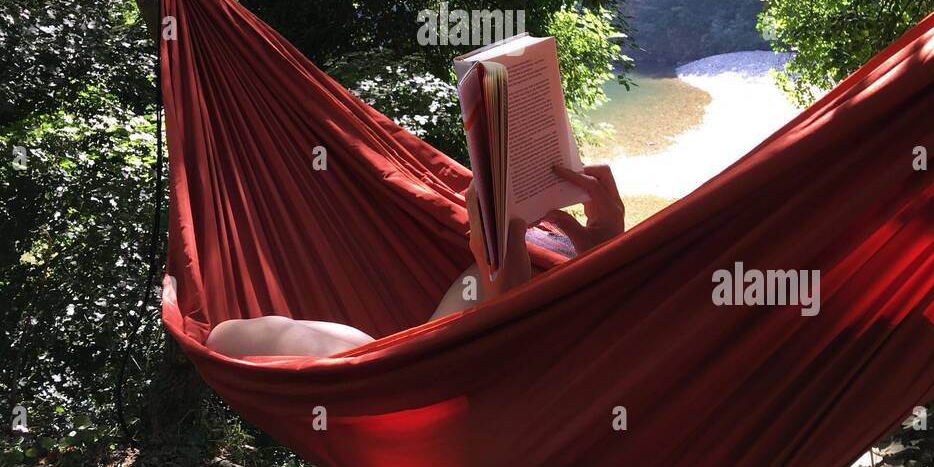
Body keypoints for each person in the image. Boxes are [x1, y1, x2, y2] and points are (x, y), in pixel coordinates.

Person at [207, 163, 625, 361]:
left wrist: (504, 273)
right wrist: (608, 242)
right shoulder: (598, 263)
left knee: (223, 337)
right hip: (420, 351)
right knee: (228, 336)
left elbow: (512, 353)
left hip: (423, 367)